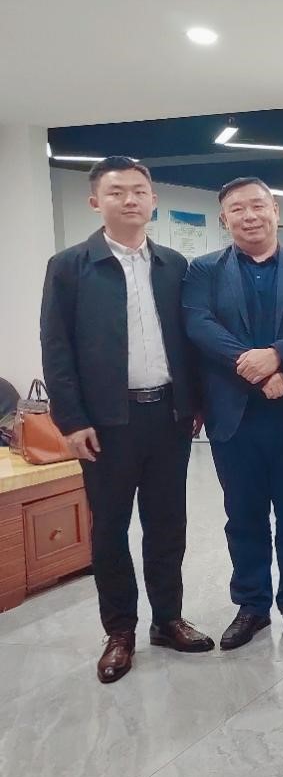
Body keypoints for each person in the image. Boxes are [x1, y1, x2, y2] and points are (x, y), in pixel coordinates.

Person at [40, 155, 213, 683]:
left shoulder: (174, 266)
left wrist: (195, 403)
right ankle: (119, 631)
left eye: (139, 191)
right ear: (96, 201)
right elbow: (56, 348)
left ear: (153, 200)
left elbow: (189, 342)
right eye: (117, 192)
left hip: (168, 416)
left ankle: (168, 619)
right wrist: (71, 420)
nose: (130, 199)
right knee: (110, 529)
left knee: (167, 523)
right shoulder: (69, 266)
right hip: (106, 423)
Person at [183, 177, 283, 650]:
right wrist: (257, 368)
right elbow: (199, 324)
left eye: (257, 206)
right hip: (233, 415)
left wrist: (278, 354)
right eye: (237, 209)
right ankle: (251, 605)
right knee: (242, 515)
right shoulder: (204, 270)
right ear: (224, 219)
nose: (249, 216)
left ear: (275, 210)